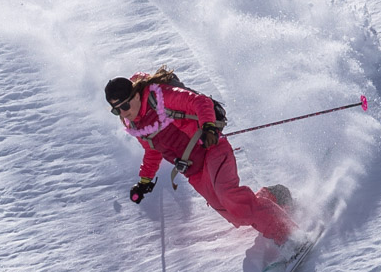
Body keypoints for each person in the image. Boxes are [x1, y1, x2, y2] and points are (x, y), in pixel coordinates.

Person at [106, 68, 304, 251]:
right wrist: (144, 181)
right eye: (116, 110)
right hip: (194, 170)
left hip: (211, 149)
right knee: (234, 214)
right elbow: (152, 151)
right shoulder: (136, 125)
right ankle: (273, 197)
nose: (123, 113)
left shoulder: (159, 96)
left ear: (136, 95)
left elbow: (199, 102)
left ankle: (290, 235)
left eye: (125, 105)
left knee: (232, 199)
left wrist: (209, 128)